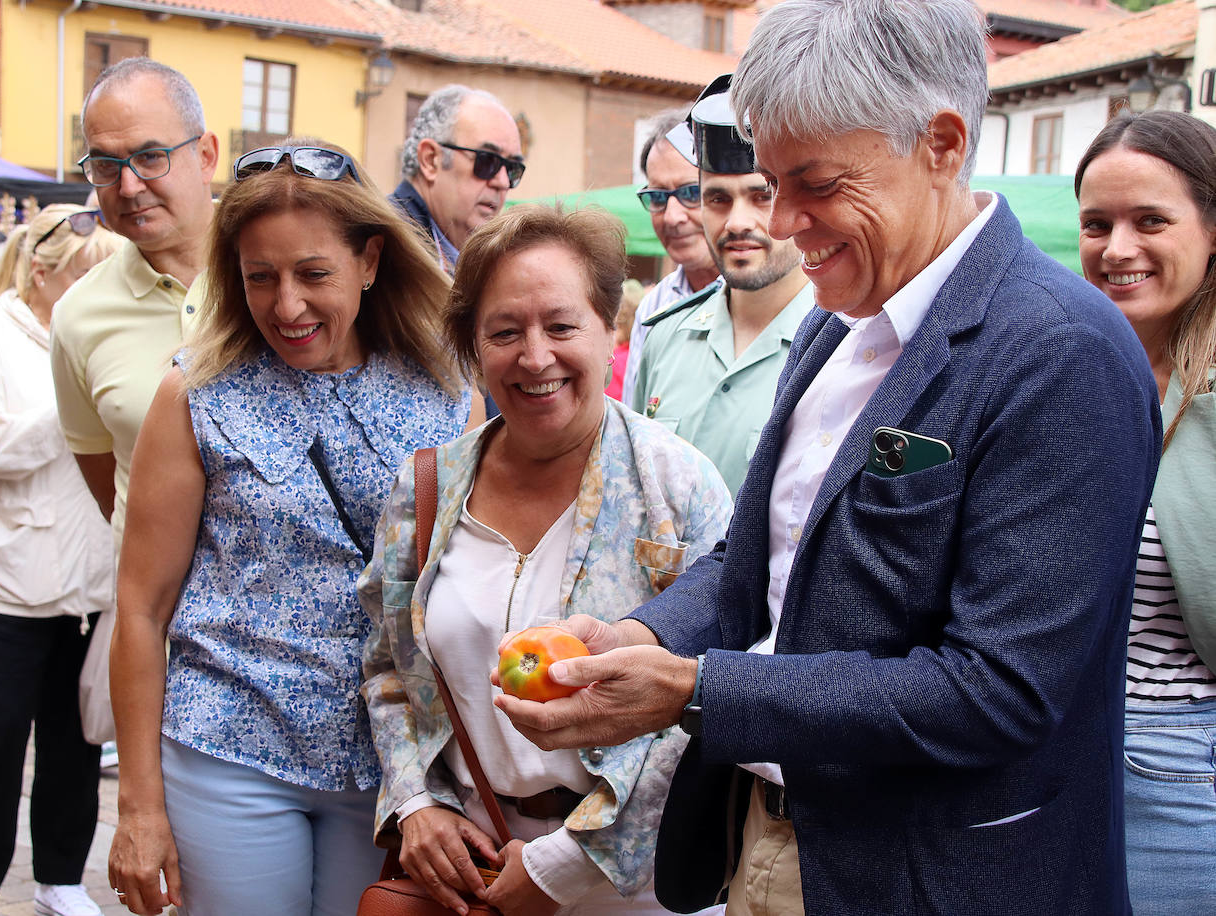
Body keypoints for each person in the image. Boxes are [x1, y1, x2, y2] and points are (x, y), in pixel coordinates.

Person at [494, 2, 1161, 914]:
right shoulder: (834, 323)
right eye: (771, 181)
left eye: (814, 182)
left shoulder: (1061, 351)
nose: (783, 220)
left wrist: (693, 688)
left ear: (941, 142)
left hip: (934, 877)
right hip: (767, 837)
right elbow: (761, 561)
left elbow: (995, 691)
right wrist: (642, 638)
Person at [106, 141, 473, 916]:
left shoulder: (449, 393)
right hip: (228, 751)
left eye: (313, 274)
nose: (286, 306)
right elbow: (140, 609)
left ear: (370, 261)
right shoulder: (196, 396)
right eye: (259, 277)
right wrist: (139, 809)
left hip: (391, 768)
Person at [360, 204, 732, 916]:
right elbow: (387, 666)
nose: (535, 357)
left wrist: (564, 863)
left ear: (610, 331)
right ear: (474, 346)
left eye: (561, 326)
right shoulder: (426, 489)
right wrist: (416, 803)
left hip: (633, 882)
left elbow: (715, 689)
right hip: (470, 866)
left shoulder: (678, 486)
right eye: (505, 332)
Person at [0, 205, 121, 916]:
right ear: (41, 272)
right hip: (0, 579)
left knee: (75, 741)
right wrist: (71, 409)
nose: (95, 285)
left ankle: (61, 878)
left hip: (88, 580)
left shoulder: (107, 333)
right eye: (82, 273)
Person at [1075, 110, 1216, 916]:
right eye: (1098, 224)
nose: (1117, 248)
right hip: (1039, 767)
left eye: (1150, 220)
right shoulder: (1061, 372)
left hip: (1171, 770)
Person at [49, 56, 218, 555]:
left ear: (206, 155)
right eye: (105, 165)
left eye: (150, 157)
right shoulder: (78, 316)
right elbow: (111, 485)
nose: (128, 187)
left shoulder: (283, 274)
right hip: (151, 614)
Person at [631, 76, 812, 496]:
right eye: (716, 199)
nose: (737, 222)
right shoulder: (665, 335)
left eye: (761, 195)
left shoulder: (841, 344)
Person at [619, 108, 720, 401]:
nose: (672, 217)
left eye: (690, 193)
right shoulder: (653, 309)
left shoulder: (774, 297)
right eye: (658, 197)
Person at [390, 85, 525, 272]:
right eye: (487, 160)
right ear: (430, 160)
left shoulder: (478, 259)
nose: (502, 182)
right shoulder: (388, 247)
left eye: (512, 169)